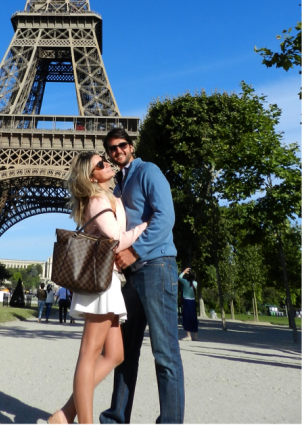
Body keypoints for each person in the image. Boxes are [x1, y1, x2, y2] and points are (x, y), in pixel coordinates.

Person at [48, 151, 148, 425]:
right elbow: (116, 237)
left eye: (105, 158)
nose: (107, 163)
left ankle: (65, 414)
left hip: (109, 280)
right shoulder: (95, 200)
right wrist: (145, 227)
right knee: (89, 353)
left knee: (115, 354)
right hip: (100, 283)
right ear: (91, 176)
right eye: (100, 163)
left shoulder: (111, 197)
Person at [100, 128, 185, 425]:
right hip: (133, 276)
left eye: (122, 145)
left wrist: (134, 252)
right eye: (111, 148)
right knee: (123, 353)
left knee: (165, 355)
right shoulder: (118, 187)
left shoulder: (149, 172)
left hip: (156, 267)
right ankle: (115, 420)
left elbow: (165, 216)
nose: (117, 151)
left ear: (131, 146)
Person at [179, 267, 199, 341]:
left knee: (187, 318)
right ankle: (195, 336)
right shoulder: (195, 283)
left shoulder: (185, 282)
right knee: (194, 318)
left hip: (186, 301)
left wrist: (184, 272)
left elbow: (179, 277)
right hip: (193, 301)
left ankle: (188, 336)